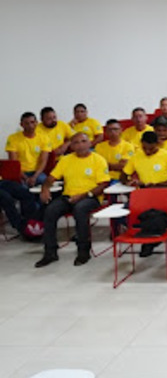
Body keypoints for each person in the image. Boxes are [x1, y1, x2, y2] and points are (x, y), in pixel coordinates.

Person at [36, 132, 110, 267]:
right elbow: (51, 178)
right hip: (68, 196)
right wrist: (45, 189)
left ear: (89, 143)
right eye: (76, 142)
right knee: (50, 211)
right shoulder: (65, 160)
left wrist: (82, 196)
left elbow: (103, 185)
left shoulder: (98, 160)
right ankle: (50, 252)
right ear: (71, 146)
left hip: (90, 196)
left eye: (83, 141)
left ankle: (83, 250)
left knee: (80, 210)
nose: (80, 145)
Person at [6, 111, 51, 187]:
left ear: (37, 122)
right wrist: (26, 178)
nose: (30, 126)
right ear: (21, 125)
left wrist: (34, 177)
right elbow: (13, 162)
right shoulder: (13, 138)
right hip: (20, 173)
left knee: (46, 183)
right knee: (22, 188)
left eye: (32, 122)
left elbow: (43, 161)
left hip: (37, 173)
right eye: (27, 123)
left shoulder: (44, 138)